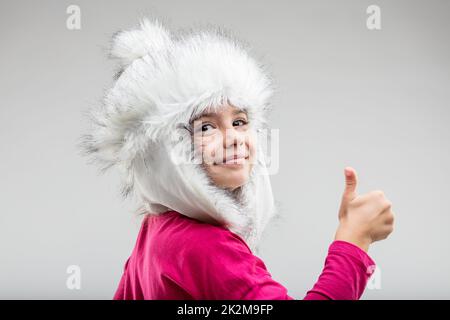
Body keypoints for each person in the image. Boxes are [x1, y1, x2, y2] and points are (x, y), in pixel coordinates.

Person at [78, 17, 395, 300]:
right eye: (206, 126)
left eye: (240, 121)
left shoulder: (158, 229)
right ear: (163, 149)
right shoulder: (207, 248)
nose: (233, 137)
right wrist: (354, 240)